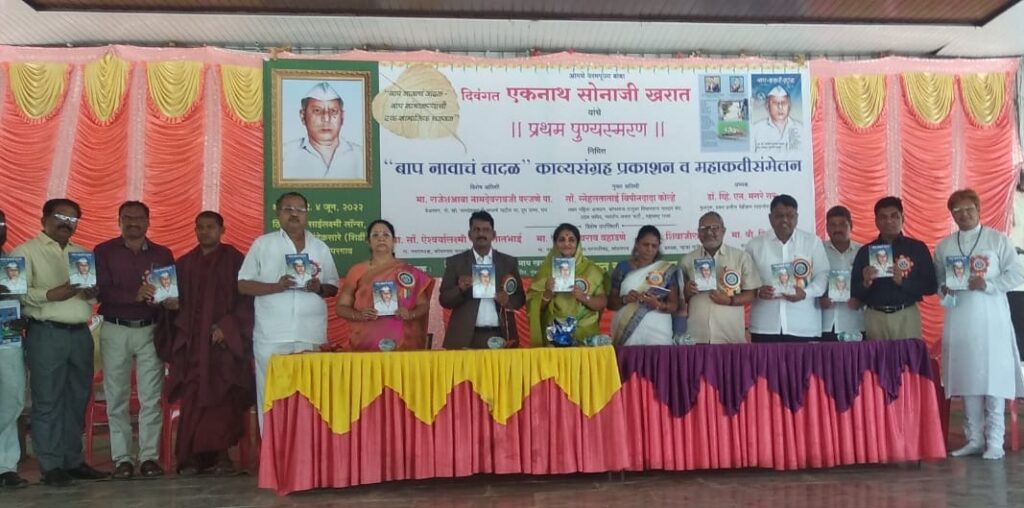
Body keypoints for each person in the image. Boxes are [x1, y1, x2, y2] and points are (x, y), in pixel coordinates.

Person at [13, 199, 109, 486]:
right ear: (43, 219)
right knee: (48, 400)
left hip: (80, 332)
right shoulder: (24, 252)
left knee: (78, 398)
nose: (66, 223)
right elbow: (17, 293)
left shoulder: (83, 253)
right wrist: (53, 293)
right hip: (46, 332)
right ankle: (51, 464)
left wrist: (92, 291)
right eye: (60, 216)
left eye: (72, 219)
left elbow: (93, 298)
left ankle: (73, 460)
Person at [155, 211, 254, 475]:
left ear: (222, 230)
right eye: (200, 227)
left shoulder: (236, 261)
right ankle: (192, 457)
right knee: (194, 397)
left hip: (223, 347)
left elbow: (246, 301)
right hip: (193, 346)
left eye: (210, 227)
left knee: (223, 397)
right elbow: (175, 304)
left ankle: (222, 456)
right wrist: (172, 306)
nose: (205, 231)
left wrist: (228, 327)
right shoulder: (184, 264)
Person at [934, 189, 1024, 460]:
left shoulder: (997, 240)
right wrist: (945, 289)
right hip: (960, 319)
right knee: (968, 379)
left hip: (991, 320)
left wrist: (988, 284)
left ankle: (995, 441)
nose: (963, 215)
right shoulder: (945, 246)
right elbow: (939, 281)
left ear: (978, 209)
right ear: (952, 215)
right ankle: (974, 439)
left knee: (993, 379)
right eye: (957, 211)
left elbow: (1017, 272)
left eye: (968, 209)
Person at [239, 192, 339, 431]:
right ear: (278, 213)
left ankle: (306, 447)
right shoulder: (263, 244)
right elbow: (243, 285)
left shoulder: (320, 246)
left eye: (300, 209)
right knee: (270, 394)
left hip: (310, 333)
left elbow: (333, 287)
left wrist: (318, 287)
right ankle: (271, 448)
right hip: (272, 335)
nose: (294, 214)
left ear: (307, 214)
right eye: (288, 209)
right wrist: (277, 286)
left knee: (311, 394)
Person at [94, 201, 174, 479]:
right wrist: (134, 295)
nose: (133, 223)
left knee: (151, 397)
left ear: (148, 222)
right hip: (115, 328)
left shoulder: (163, 254)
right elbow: (100, 291)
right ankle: (122, 459)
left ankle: (149, 457)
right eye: (127, 218)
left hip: (151, 329)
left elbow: (169, 291)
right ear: (118, 221)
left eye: (139, 218)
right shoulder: (103, 251)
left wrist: (167, 299)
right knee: (116, 397)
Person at [336, 220, 433, 351]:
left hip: (403, 346)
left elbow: (423, 305)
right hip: (365, 345)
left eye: (386, 235)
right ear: (368, 241)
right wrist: (360, 315)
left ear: (394, 241)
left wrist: (410, 314)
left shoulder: (408, 272)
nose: (381, 238)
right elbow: (341, 307)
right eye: (375, 235)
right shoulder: (357, 271)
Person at [851, 197, 937, 340]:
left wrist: (904, 282)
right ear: (876, 221)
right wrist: (865, 284)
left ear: (903, 218)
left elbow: (931, 286)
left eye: (894, 216)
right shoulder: (865, 251)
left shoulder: (917, 248)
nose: (889, 221)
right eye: (883, 217)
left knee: (908, 354)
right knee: (877, 355)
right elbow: (854, 290)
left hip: (906, 315)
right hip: (875, 316)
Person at [746, 194, 829, 342]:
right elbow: (746, 280)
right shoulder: (755, 245)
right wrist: (757, 291)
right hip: (765, 326)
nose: (784, 220)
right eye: (779, 216)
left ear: (797, 217)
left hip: (803, 325)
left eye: (790, 216)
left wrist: (805, 293)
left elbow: (822, 276)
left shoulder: (812, 242)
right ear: (770, 218)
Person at [439, 211, 526, 349]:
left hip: (501, 335)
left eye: (486, 230)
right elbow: (444, 300)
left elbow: (520, 298)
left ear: (493, 234)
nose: (481, 234)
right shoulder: (456, 263)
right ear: (469, 234)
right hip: (464, 338)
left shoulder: (508, 262)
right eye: (476, 229)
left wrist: (507, 300)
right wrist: (460, 289)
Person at [682, 212, 760, 344]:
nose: (709, 232)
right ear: (698, 233)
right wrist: (686, 292)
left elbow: (752, 294)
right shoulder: (687, 260)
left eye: (714, 228)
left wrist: (729, 300)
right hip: (697, 336)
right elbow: (678, 298)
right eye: (703, 228)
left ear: (723, 231)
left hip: (730, 336)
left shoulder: (741, 257)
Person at [527, 223, 608, 346]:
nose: (566, 244)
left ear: (578, 243)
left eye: (571, 240)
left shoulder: (591, 270)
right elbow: (533, 307)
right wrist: (547, 294)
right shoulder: (546, 271)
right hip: (555, 335)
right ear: (555, 244)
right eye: (561, 240)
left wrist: (584, 297)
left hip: (585, 335)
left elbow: (602, 302)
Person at [607, 226, 679, 345]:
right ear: (637, 243)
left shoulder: (666, 270)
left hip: (658, 331)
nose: (649, 249)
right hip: (626, 331)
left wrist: (657, 304)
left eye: (654, 246)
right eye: (646, 244)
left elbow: (674, 305)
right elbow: (610, 304)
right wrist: (625, 299)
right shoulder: (623, 268)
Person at [281, 82, 364, 180]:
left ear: (342, 117)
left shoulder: (362, 156)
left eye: (333, 111)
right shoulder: (283, 155)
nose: (326, 118)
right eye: (317, 110)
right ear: (303, 116)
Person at [0, 210, 28, 488]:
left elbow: (22, 299)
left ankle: (6, 467)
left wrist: (23, 315)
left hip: (7, 336)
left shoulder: (11, 262)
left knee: (13, 397)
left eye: (2, 223)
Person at [820, 206, 864, 341]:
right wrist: (819, 299)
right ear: (827, 228)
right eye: (833, 225)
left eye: (842, 224)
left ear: (851, 226)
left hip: (856, 322)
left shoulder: (862, 251)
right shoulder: (818, 250)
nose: (837, 229)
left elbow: (871, 284)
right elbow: (809, 280)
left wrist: (861, 300)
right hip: (825, 323)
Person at [752, 85, 803, 152]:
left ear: (789, 106)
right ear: (767, 106)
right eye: (775, 103)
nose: (780, 107)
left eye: (784, 103)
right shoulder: (756, 130)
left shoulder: (801, 128)